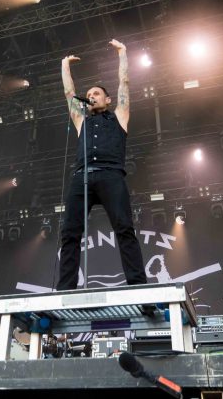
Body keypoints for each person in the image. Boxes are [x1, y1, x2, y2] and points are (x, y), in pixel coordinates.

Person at [57, 39, 147, 290]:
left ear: (107, 99)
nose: (91, 97)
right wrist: (64, 66)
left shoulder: (119, 116)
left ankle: (138, 285)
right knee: (70, 233)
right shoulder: (81, 120)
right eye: (88, 95)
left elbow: (124, 83)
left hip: (111, 175)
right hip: (82, 177)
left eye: (95, 93)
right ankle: (65, 289)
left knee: (124, 228)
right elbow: (69, 93)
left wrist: (122, 53)